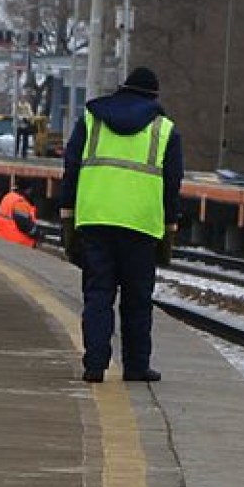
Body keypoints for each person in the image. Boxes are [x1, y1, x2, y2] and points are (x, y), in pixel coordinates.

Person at [59, 66, 184, 384]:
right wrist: (170, 226)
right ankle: (136, 366)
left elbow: (71, 166)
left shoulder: (92, 120)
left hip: (96, 218)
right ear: (154, 97)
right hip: (141, 224)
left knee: (98, 293)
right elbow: (172, 184)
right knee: (137, 298)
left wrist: (68, 213)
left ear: (121, 88)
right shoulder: (164, 129)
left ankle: (95, 365)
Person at [0, 183, 39, 248]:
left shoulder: (9, 196)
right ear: (27, 190)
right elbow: (24, 224)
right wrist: (37, 233)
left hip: (2, 239)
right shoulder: (20, 202)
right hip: (17, 244)